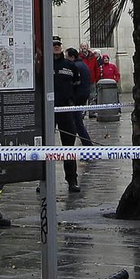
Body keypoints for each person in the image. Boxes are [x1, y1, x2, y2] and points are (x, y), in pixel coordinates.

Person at [50, 38, 82, 194]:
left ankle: (72, 180)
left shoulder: (70, 66)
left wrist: (73, 102)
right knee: (45, 146)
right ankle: (45, 179)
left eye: (58, 45)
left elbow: (78, 86)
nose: (56, 47)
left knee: (69, 146)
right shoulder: (43, 65)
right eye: (53, 45)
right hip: (48, 111)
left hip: (65, 110)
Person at [67, 47, 95, 145]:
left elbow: (74, 82)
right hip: (82, 95)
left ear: (72, 57)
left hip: (77, 97)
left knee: (77, 123)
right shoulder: (82, 64)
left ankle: (88, 146)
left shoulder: (75, 66)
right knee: (76, 122)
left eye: (67, 57)